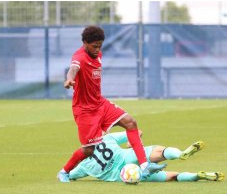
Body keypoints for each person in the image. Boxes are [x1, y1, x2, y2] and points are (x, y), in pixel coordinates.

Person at [58, 25, 162, 182]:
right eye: (94, 46)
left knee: (131, 123)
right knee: (89, 150)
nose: (97, 49)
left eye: (100, 45)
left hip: (100, 104)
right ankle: (64, 172)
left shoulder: (98, 53)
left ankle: (144, 165)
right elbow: (73, 68)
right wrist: (69, 79)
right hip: (85, 110)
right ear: (85, 42)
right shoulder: (79, 58)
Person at [68, 131, 225, 183]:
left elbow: (71, 176)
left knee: (172, 177)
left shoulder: (84, 166)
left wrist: (68, 173)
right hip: (130, 156)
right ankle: (180, 153)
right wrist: (133, 143)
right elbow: (137, 132)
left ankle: (197, 176)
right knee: (159, 151)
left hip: (128, 176)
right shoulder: (106, 138)